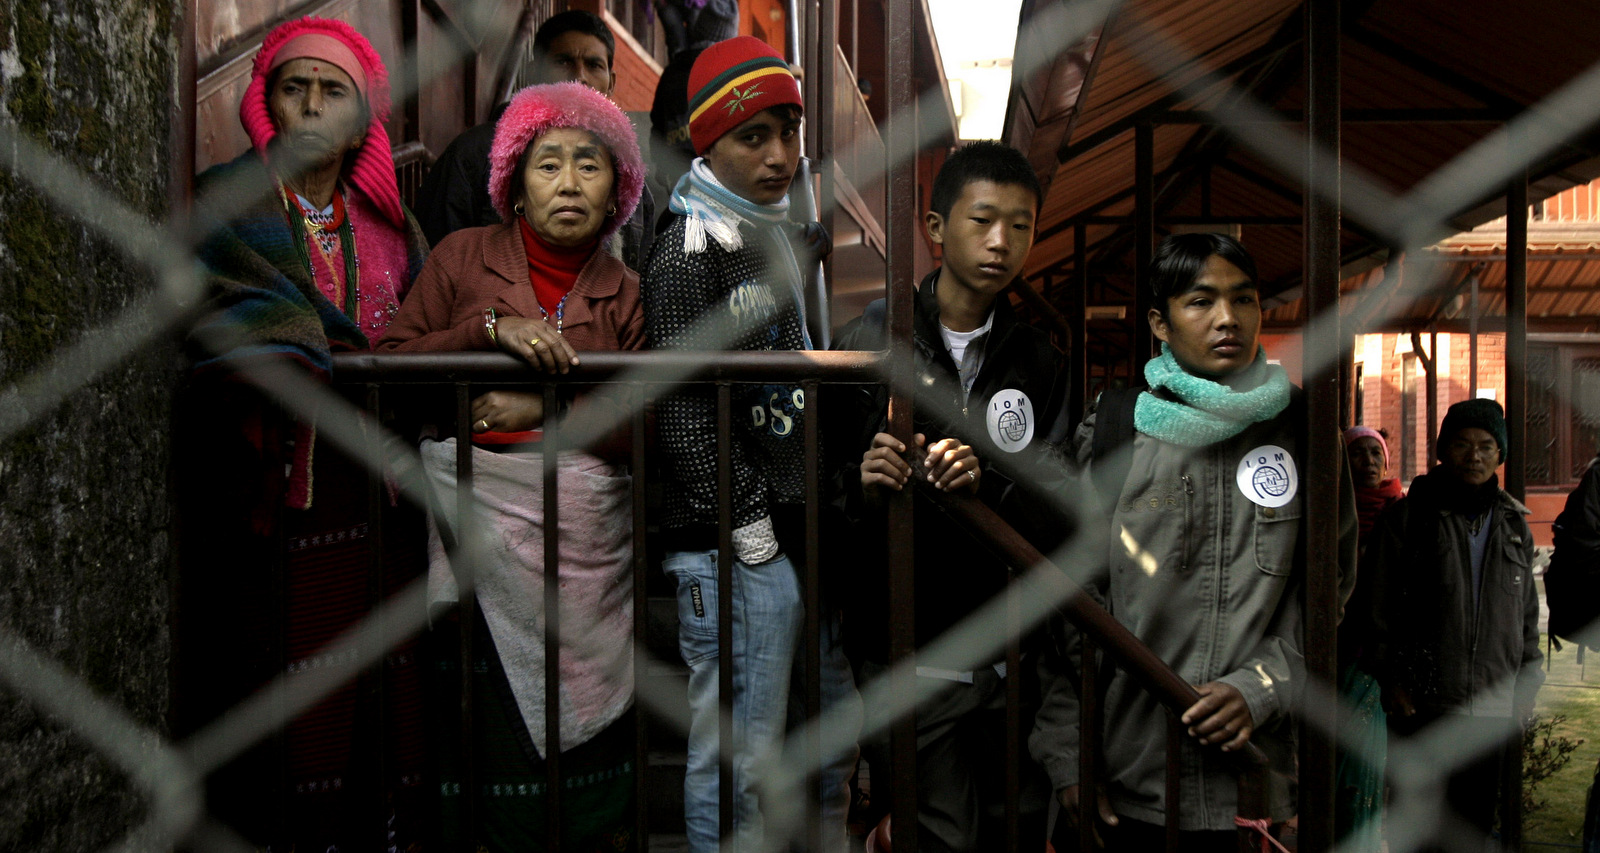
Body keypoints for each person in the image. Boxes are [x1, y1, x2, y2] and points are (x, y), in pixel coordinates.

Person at [175, 15, 431, 850]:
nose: (313, 108)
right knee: (282, 703)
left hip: (382, 502)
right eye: (295, 89)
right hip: (280, 502)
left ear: (363, 119)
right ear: (267, 107)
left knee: (376, 705)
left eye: (334, 92)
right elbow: (219, 307)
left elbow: (421, 341)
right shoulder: (228, 203)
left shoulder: (396, 231)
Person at [377, 80, 647, 851]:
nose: (568, 182)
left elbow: (648, 425)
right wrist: (488, 328)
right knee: (482, 736)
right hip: (476, 534)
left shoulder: (626, 293)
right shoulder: (463, 258)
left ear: (618, 190)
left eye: (589, 166)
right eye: (548, 163)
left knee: (587, 746)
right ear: (514, 188)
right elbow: (390, 363)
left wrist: (550, 411)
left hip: (587, 543)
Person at [1031, 233, 1357, 852]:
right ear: (1160, 321)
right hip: (1131, 782)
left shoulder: (1304, 431)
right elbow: (1069, 614)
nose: (1227, 319)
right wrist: (1070, 754)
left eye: (1244, 300)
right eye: (1200, 302)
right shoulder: (1114, 433)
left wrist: (1259, 688)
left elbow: (1331, 598)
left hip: (1255, 783)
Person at [641, 35, 859, 853]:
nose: (781, 155)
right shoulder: (688, 246)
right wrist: (751, 527)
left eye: (790, 130)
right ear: (706, 142)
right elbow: (686, 406)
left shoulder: (756, 226)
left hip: (783, 524)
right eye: (753, 136)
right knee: (739, 748)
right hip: (732, 539)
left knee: (816, 732)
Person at [834, 140, 1067, 852]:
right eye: (983, 220)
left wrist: (989, 481)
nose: (1002, 242)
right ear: (936, 229)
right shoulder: (868, 339)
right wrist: (863, 484)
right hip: (906, 653)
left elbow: (1064, 504)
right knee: (938, 833)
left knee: (1015, 829)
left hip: (1013, 657)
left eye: (1021, 225)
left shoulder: (1040, 358)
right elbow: (819, 493)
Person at [1369, 398, 1543, 853]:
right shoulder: (1408, 518)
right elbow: (1378, 605)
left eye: (1486, 446)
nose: (1475, 456)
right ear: (1443, 451)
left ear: (1499, 455)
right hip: (1423, 703)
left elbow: (1525, 620)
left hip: (1490, 705)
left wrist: (1527, 685)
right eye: (1462, 445)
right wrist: (1392, 678)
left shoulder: (1512, 525)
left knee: (1472, 828)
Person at [414, 10, 655, 269]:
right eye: (563, 62)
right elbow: (432, 267)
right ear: (533, 73)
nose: (580, 77)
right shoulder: (474, 156)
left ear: (611, 83)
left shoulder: (629, 182)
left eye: (594, 65)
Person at [1336, 425, 1402, 852]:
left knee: (1365, 759)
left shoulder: (1402, 513)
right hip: (1335, 645)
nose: (1369, 463)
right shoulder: (1332, 512)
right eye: (1358, 454)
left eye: (1376, 455)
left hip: (1378, 652)